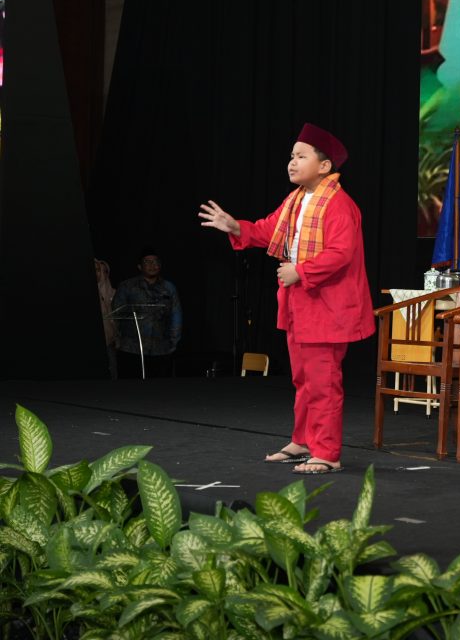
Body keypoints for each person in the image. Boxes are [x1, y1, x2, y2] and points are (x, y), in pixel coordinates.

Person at [198, 123, 374, 475]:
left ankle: (326, 453)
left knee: (323, 382)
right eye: (291, 156)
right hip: (301, 304)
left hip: (327, 307)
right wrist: (235, 226)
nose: (292, 162)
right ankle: (303, 441)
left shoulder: (338, 204)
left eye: (301, 156)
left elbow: (341, 253)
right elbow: (268, 229)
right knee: (303, 379)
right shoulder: (296, 201)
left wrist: (301, 272)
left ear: (324, 166)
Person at [111, 249, 183, 379]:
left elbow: (176, 315)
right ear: (140, 266)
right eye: (147, 262)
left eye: (155, 262)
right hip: (132, 349)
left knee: (160, 387)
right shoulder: (127, 286)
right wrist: (117, 340)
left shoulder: (169, 288)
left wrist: (173, 342)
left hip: (161, 349)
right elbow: (117, 314)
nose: (152, 265)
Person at [95, 258, 119, 378]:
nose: (100, 273)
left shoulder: (114, 293)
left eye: (103, 271)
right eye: (97, 270)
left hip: (110, 343)